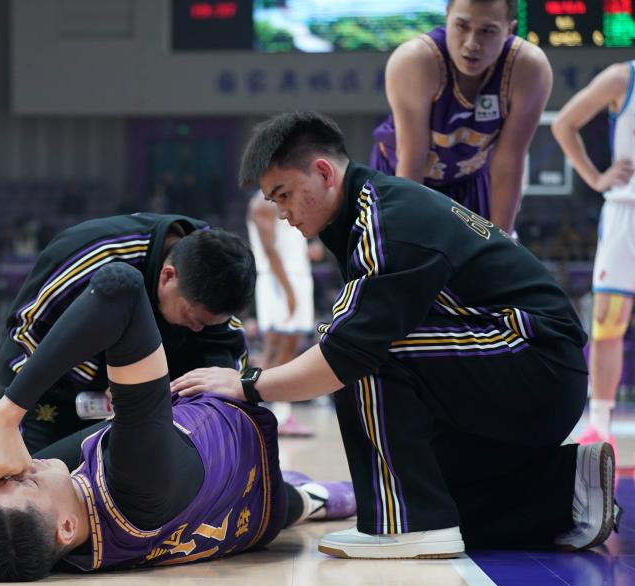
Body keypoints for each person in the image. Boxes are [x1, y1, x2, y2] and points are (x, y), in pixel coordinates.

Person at [172, 111, 622, 560]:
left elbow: (346, 354)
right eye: (274, 201)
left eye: (285, 195)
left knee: (364, 354)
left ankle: (410, 527)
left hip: (536, 361)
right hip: (520, 368)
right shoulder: (365, 212)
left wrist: (248, 384)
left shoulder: (384, 220)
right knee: (427, 485)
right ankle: (568, 489)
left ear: (324, 173)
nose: (282, 213)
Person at [0, 262, 355, 581]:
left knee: (282, 513)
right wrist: (6, 414)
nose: (22, 470)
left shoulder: (62, 553)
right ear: (65, 529)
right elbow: (121, 286)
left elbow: (14, 528)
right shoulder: (137, 473)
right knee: (290, 507)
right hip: (233, 449)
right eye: (25, 483)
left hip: (238, 510)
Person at [0, 213, 254, 455]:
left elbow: (228, 353)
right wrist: (12, 418)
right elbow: (25, 333)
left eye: (209, 324)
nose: (199, 329)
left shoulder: (219, 270)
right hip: (59, 393)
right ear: (167, 276)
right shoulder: (95, 255)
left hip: (146, 406)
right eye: (193, 319)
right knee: (26, 478)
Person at [371, 0, 551, 233]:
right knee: (401, 248)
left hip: (470, 179)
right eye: (462, 26)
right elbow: (413, 157)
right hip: (400, 173)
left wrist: (503, 239)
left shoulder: (529, 68)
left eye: (487, 31)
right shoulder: (414, 61)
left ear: (509, 29)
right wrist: (407, 238)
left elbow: (509, 160)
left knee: (494, 249)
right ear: (447, 16)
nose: (472, 43)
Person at [551, 61, 635, 450]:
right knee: (607, 320)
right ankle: (600, 424)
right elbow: (563, 123)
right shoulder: (623, 77)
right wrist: (596, 178)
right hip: (626, 211)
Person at [247, 190, 316, 437]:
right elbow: (269, 250)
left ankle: (273, 414)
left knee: (284, 346)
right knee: (278, 347)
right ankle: (265, 413)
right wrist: (288, 291)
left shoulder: (283, 197)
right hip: (279, 281)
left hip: (294, 278)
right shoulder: (262, 204)